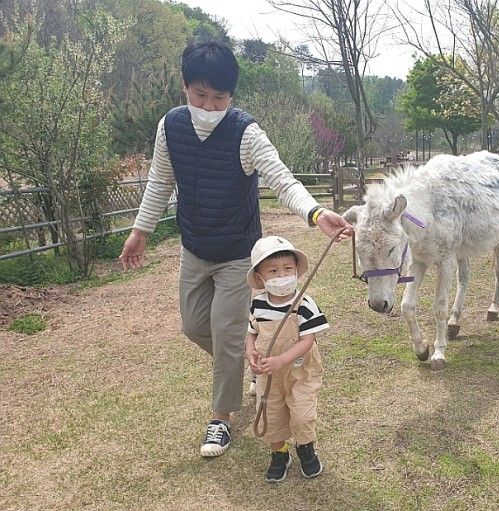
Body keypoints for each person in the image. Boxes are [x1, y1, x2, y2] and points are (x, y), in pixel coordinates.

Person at [118, 41, 351, 458]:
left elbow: (282, 179)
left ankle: (220, 420)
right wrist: (141, 230)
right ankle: (250, 358)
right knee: (194, 327)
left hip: (240, 255)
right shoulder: (169, 127)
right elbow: (159, 181)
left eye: (219, 98)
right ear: (184, 86)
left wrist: (315, 214)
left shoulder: (246, 132)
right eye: (200, 95)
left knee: (226, 333)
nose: (209, 106)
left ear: (232, 96)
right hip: (195, 247)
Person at [245, 236, 328, 482]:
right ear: (260, 278)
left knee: (302, 414)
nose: (281, 275)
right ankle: (279, 453)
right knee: (271, 415)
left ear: (296, 271)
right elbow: (251, 333)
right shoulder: (257, 304)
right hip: (268, 375)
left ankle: (306, 448)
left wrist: (282, 360)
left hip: (301, 372)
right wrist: (249, 350)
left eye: (287, 268)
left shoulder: (305, 304)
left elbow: (307, 341)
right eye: (273, 270)